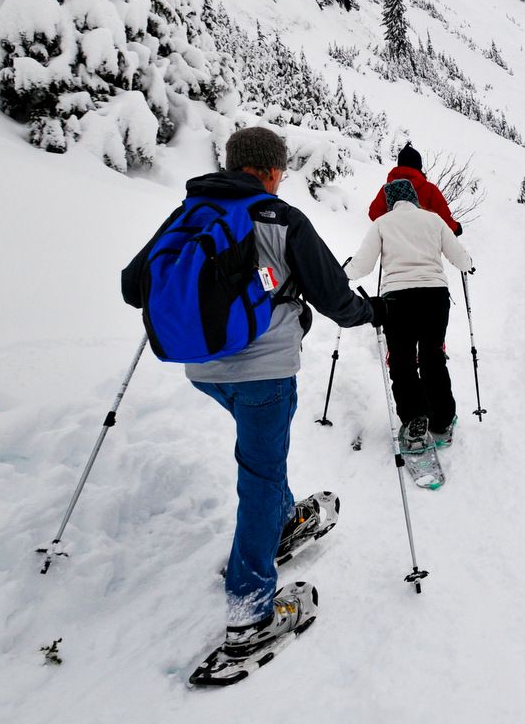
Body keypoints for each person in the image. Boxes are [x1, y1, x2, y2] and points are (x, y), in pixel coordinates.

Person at [120, 126, 385, 656]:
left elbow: (133, 286)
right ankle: (250, 613)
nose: (282, 179)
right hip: (264, 373)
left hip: (204, 371)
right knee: (260, 476)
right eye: (281, 171)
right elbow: (333, 295)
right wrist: (369, 312)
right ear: (267, 170)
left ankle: (280, 522)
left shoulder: (189, 212)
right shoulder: (280, 218)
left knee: (262, 461)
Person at [346, 176, 473, 451]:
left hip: (397, 300)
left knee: (402, 362)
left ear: (391, 201)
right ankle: (442, 421)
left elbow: (363, 266)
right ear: (414, 198)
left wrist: (342, 272)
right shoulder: (434, 220)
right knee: (433, 358)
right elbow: (462, 259)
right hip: (434, 298)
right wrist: (469, 263)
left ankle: (415, 422)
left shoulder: (382, 223)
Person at [368, 142, 463, 235]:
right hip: (424, 245)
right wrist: (456, 228)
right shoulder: (430, 189)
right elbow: (444, 219)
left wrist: (394, 224)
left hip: (394, 245)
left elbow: (374, 213)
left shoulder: (387, 189)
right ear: (418, 166)